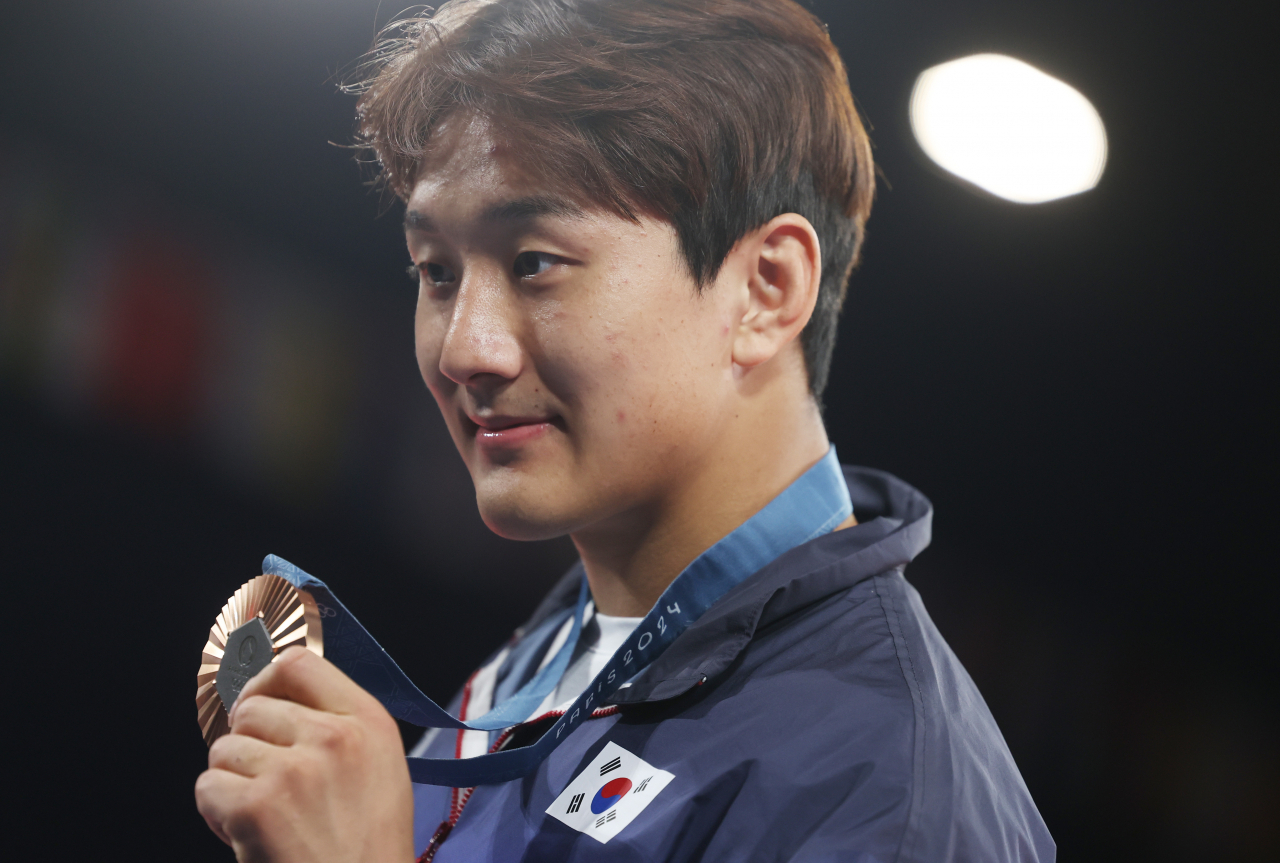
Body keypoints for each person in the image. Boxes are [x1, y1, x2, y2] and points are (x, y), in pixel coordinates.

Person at [195, 0, 1056, 860]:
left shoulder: (896, 794)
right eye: (438, 271)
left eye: (535, 262)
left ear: (765, 289)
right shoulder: (544, 661)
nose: (465, 349)